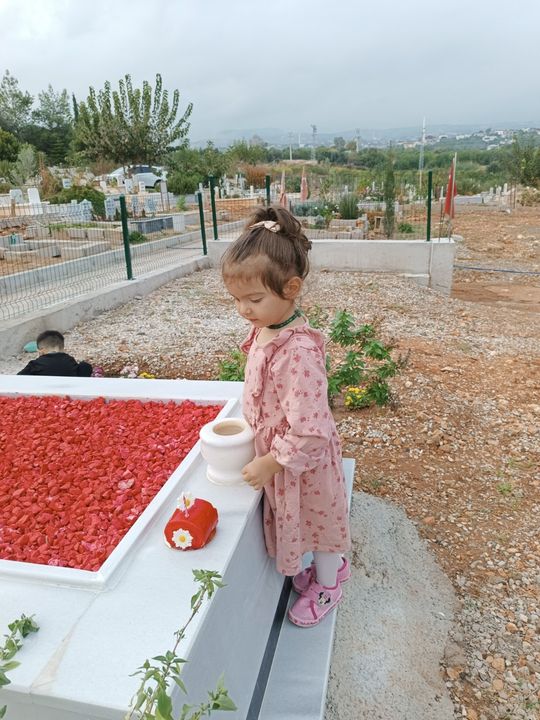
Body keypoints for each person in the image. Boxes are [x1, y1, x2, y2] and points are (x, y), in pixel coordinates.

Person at [221, 205, 351, 627]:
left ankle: (330, 584)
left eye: (254, 299)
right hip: (285, 456)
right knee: (311, 518)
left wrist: (271, 460)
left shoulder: (297, 353)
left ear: (291, 287)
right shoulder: (269, 328)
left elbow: (310, 431)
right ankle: (326, 570)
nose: (244, 309)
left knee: (321, 521)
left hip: (301, 461)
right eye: (237, 299)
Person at [18, 330, 92, 377]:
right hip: (69, 394)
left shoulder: (35, 364)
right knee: (84, 366)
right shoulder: (70, 360)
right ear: (63, 349)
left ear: (41, 351)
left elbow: (18, 378)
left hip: (43, 396)